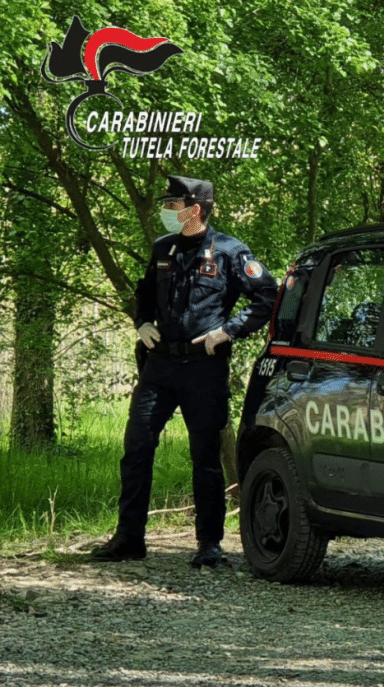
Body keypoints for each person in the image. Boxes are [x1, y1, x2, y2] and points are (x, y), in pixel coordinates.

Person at [92, 176, 277, 568]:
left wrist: (228, 331)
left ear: (195, 209)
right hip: (158, 366)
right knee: (137, 447)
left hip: (202, 368)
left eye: (173, 205)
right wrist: (142, 323)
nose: (167, 212)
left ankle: (209, 544)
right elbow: (144, 293)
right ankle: (129, 538)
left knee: (205, 456)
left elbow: (267, 298)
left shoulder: (229, 250)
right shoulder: (163, 248)